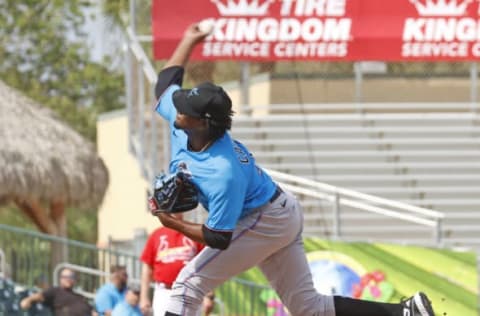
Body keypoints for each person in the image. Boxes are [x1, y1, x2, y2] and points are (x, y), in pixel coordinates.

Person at [152, 22, 436, 316]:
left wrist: (174, 223)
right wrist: (189, 39)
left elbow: (218, 237)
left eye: (187, 109)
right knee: (309, 308)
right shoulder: (184, 122)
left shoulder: (223, 171)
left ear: (204, 122)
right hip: (279, 210)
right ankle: (405, 312)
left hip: (263, 219)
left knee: (188, 284)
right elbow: (165, 83)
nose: (179, 107)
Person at [139, 213, 214, 316]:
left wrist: (208, 295)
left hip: (190, 291)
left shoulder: (194, 231)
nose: (175, 210)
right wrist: (144, 297)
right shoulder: (157, 234)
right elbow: (146, 268)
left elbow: (207, 265)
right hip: (164, 291)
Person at [20, 268, 95, 316]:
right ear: (61, 279)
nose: (68, 279)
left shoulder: (79, 296)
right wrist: (28, 300)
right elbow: (40, 296)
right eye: (66, 277)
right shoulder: (55, 291)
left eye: (71, 277)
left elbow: (91, 311)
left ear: (75, 280)